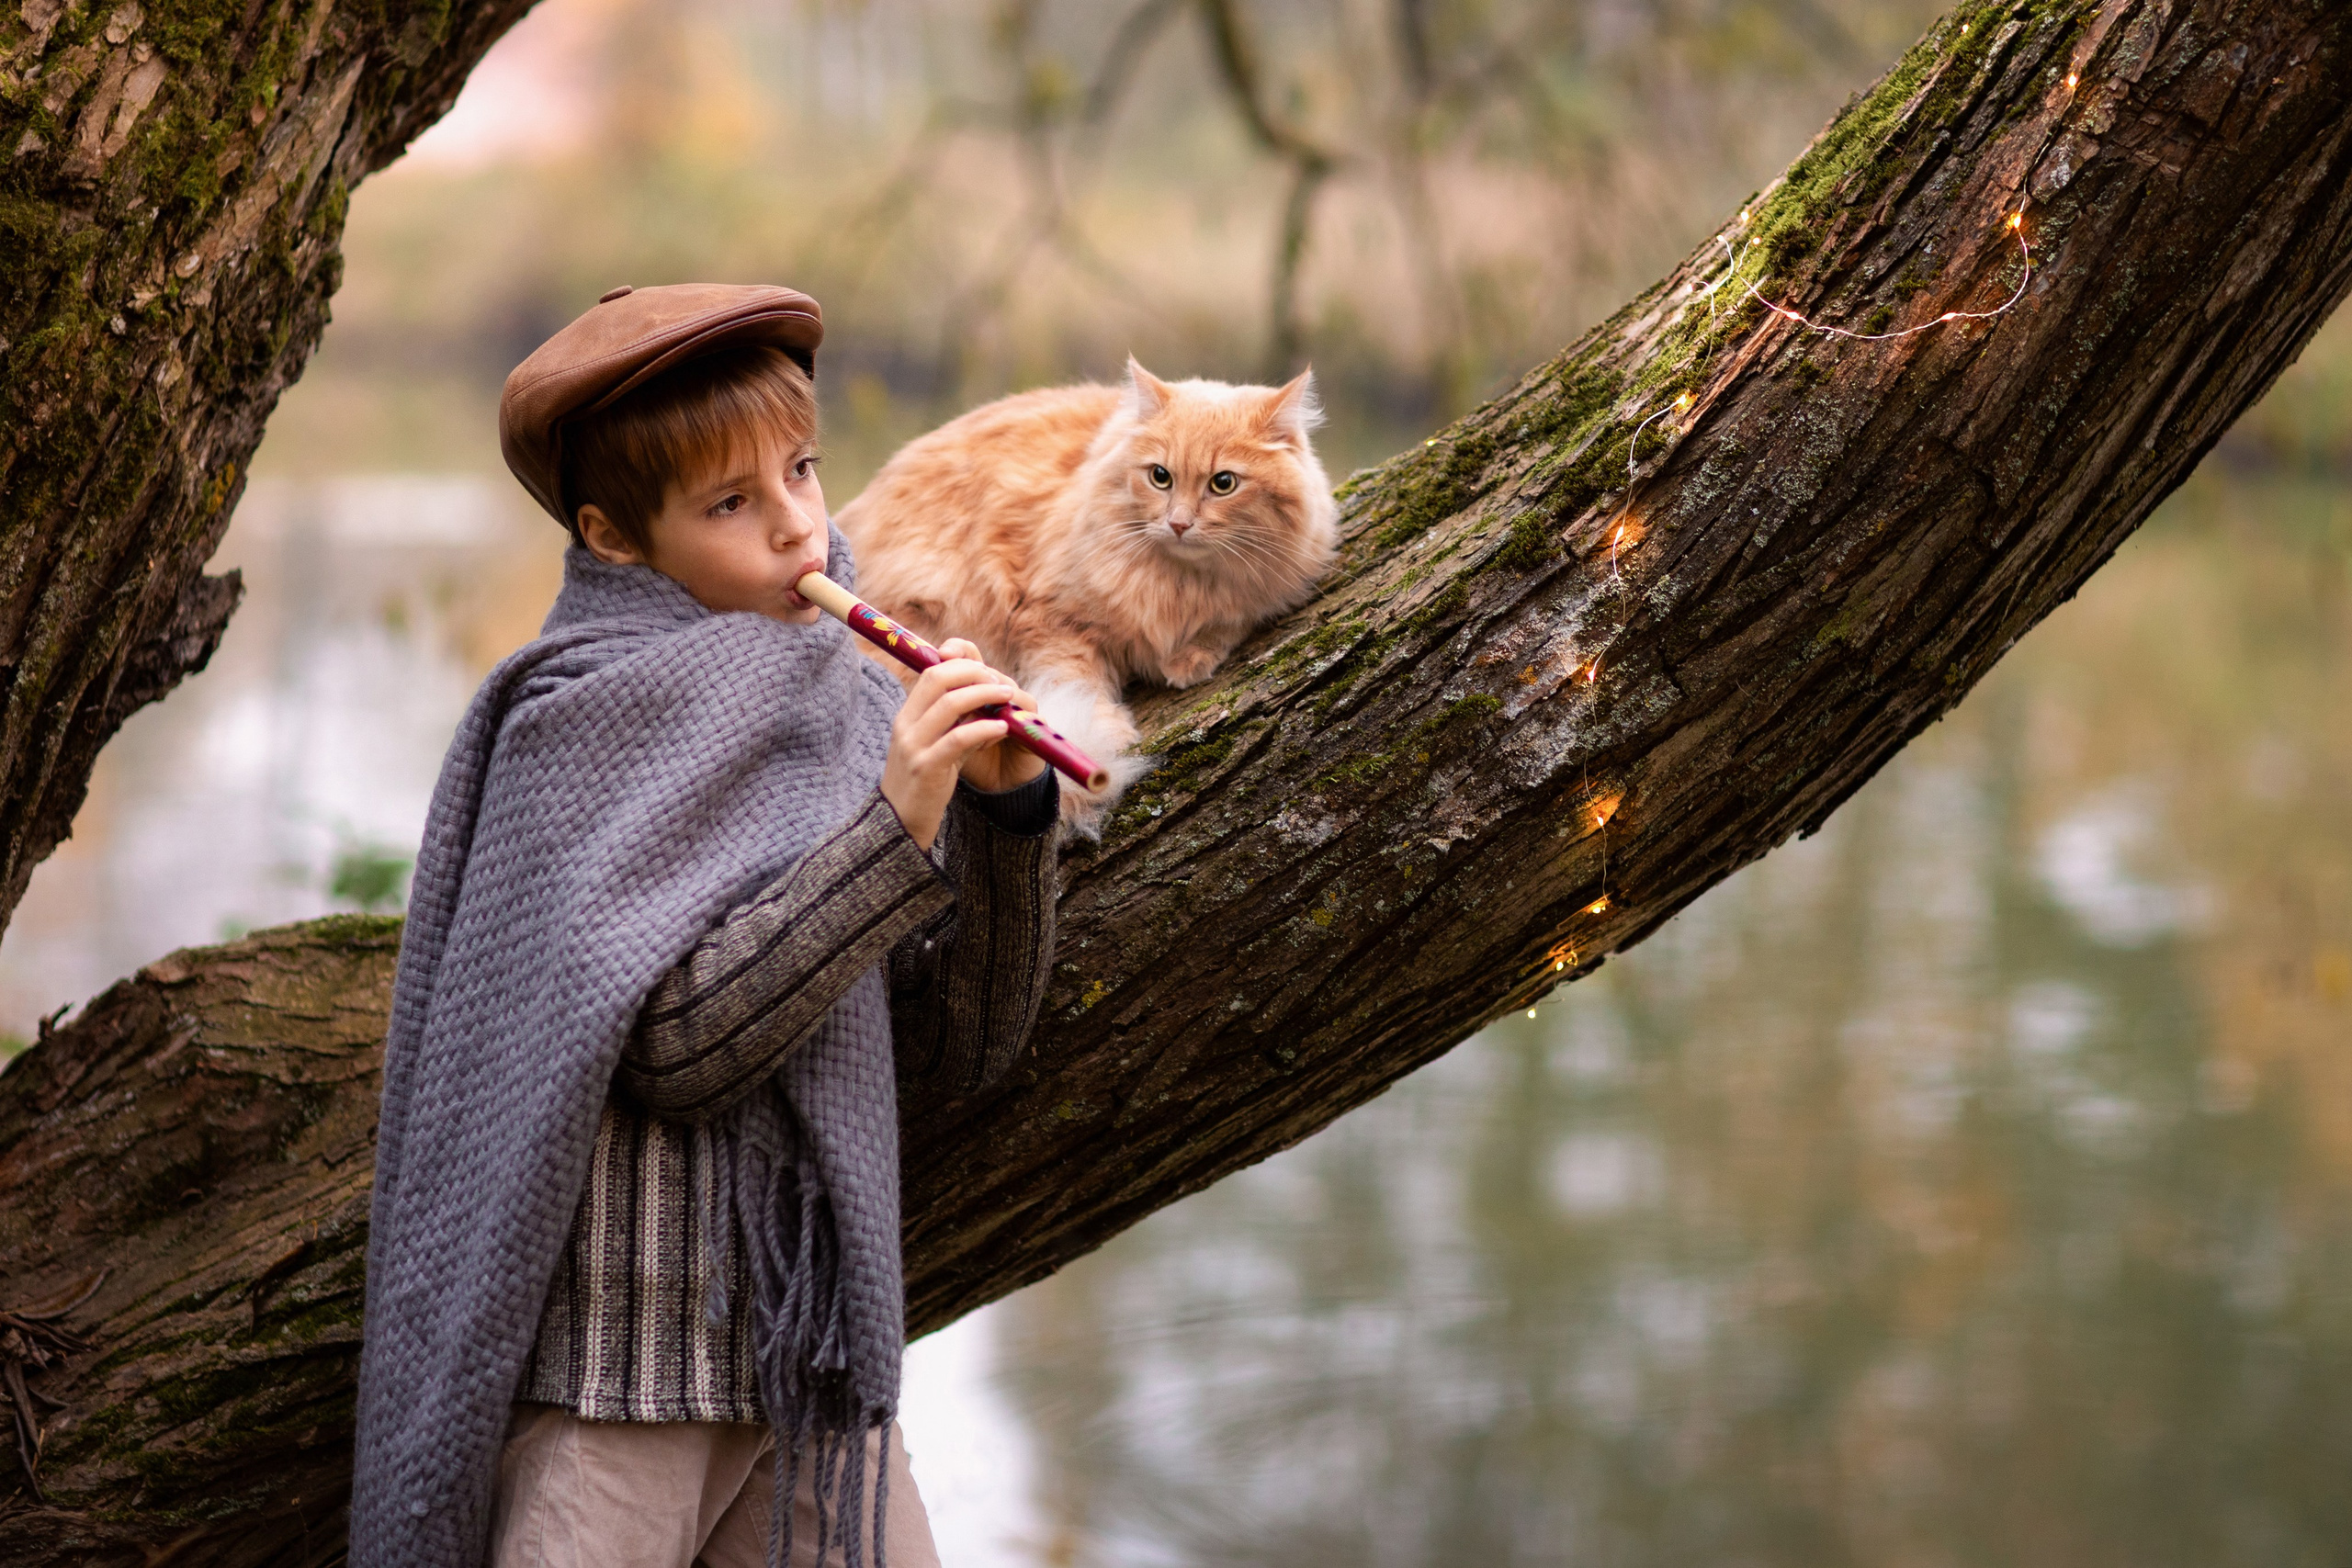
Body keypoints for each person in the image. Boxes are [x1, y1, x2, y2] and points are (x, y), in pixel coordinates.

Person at [351, 284, 1058, 1568]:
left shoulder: (853, 707)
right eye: (732, 505)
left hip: (813, 1378)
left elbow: (959, 1054)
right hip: (607, 1402)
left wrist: (1008, 830)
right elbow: (675, 1050)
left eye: (802, 470)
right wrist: (893, 832)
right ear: (615, 537)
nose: (798, 525)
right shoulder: (570, 725)